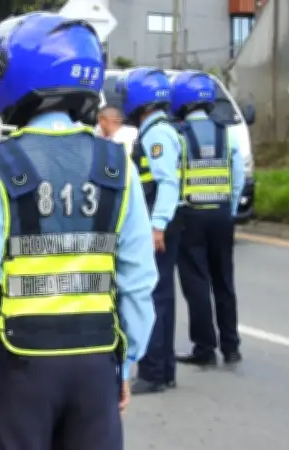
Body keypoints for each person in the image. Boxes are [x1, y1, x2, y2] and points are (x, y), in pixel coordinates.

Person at [0, 12, 158, 448]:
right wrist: (125, 363)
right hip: (96, 365)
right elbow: (138, 281)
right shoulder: (118, 167)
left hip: (22, 369)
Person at [117, 67, 185, 395]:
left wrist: (157, 226)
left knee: (152, 295)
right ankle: (164, 369)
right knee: (163, 296)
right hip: (165, 222)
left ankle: (152, 371)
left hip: (159, 225)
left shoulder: (156, 133)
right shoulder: (159, 129)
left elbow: (167, 182)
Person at [172, 71, 245, 367]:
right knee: (224, 281)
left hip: (191, 216)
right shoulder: (227, 133)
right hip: (222, 215)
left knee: (197, 283)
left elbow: (172, 179)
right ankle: (231, 347)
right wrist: (230, 208)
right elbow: (237, 176)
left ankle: (204, 348)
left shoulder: (177, 136)